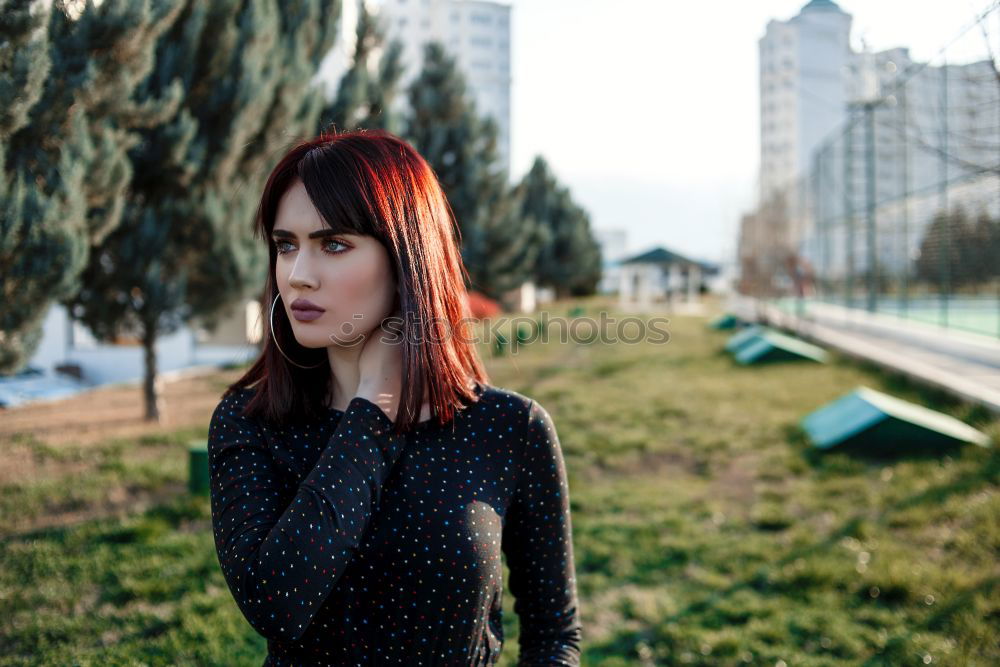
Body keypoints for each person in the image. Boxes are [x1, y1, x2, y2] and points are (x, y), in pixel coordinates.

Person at [206, 129, 582, 665]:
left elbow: (553, 635)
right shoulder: (251, 422)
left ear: (408, 257)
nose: (298, 276)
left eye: (333, 244)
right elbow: (277, 605)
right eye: (285, 245)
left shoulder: (508, 427)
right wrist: (374, 406)